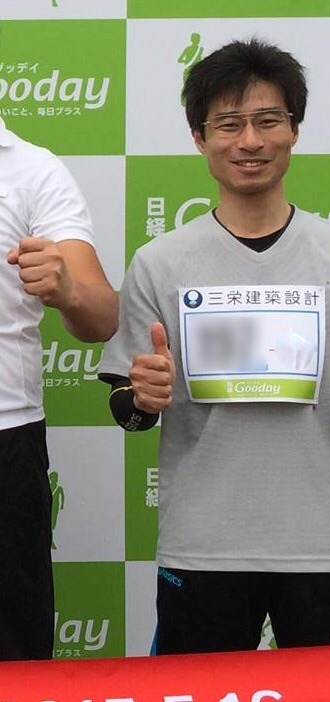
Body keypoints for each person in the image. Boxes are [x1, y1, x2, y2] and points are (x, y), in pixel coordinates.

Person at [99, 38, 330, 654]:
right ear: (200, 138)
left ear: (294, 130)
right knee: (196, 693)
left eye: (269, 120)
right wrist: (141, 398)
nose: (250, 141)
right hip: (203, 547)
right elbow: (127, 409)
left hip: (326, 545)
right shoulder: (159, 262)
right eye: (229, 124)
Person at [0, 118, 118, 661]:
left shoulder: (32, 170)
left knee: (14, 655)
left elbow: (102, 315)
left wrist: (67, 290)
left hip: (6, 438)